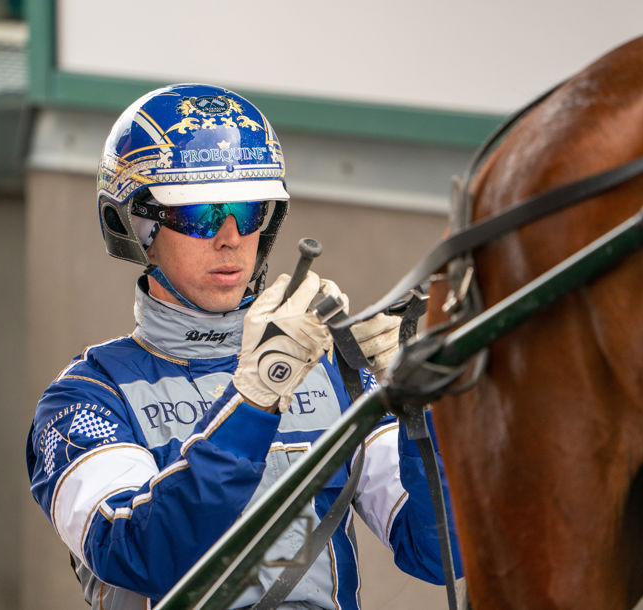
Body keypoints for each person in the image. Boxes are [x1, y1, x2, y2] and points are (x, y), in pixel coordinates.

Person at [25, 83, 461, 609]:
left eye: (247, 210)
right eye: (201, 214)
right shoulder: (84, 401)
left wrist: (422, 410)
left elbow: (442, 554)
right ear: (138, 227)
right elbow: (144, 554)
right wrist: (256, 398)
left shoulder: (334, 375)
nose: (230, 237)